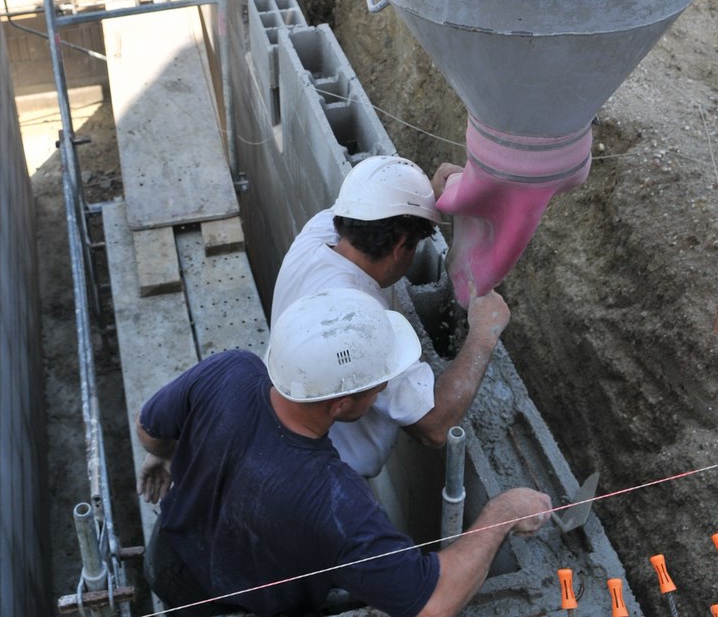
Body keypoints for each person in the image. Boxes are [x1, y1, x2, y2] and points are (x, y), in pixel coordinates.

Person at [137, 289, 551, 617]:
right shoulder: (333, 500)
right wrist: (502, 514)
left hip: (167, 565)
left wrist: (160, 455)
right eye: (378, 384)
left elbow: (149, 429)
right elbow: (433, 604)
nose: (384, 390)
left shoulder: (230, 369)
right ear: (338, 404)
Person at [269, 154, 510, 477]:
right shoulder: (359, 324)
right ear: (400, 246)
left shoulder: (317, 234)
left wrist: (426, 198)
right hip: (328, 473)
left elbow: (369, 201)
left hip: (284, 428)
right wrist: (484, 332)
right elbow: (434, 426)